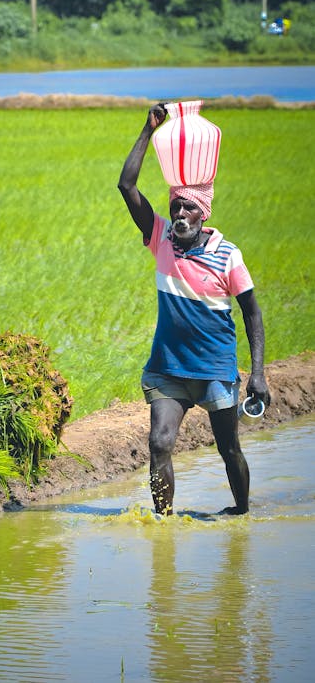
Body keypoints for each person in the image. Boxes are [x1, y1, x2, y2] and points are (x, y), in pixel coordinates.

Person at [118, 104, 270, 516]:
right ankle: (163, 525)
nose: (180, 215)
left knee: (229, 449)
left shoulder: (227, 255)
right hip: (168, 368)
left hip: (216, 369)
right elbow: (127, 187)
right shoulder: (161, 238)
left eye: (189, 210)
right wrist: (148, 130)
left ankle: (241, 513)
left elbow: (252, 313)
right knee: (159, 443)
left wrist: (257, 373)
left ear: (203, 215)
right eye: (176, 208)